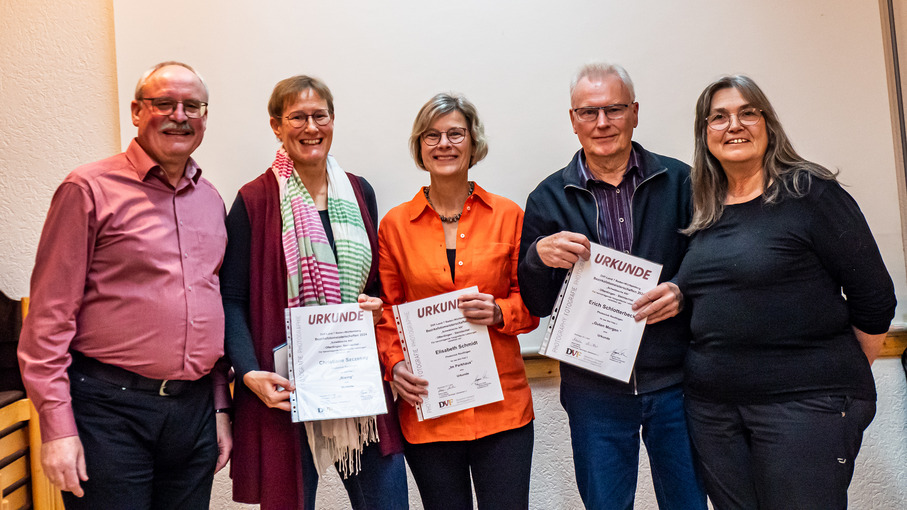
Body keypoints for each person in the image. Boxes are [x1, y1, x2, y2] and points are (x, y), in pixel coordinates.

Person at [665, 75, 897, 509]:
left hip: (804, 406)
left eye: (747, 113)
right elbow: (709, 287)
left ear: (768, 124)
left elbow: (875, 298)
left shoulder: (811, 193)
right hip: (715, 412)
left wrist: (834, 374)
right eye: (718, 117)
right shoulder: (702, 209)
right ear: (704, 133)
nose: (734, 125)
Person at [17, 61, 232, 509]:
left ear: (205, 117)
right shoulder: (88, 189)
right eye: (164, 103)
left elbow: (212, 307)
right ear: (136, 111)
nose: (180, 115)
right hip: (108, 412)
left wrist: (219, 409)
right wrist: (57, 429)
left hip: (192, 416)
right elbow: (48, 319)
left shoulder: (211, 200)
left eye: (192, 105)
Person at [518, 63, 707, 510]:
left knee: (689, 503)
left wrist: (681, 290)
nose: (602, 123)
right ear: (573, 120)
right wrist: (537, 258)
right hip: (594, 393)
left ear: (635, 113)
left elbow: (710, 268)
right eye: (589, 112)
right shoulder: (548, 198)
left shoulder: (683, 182)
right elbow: (536, 303)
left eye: (614, 109)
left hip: (676, 383)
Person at [221, 75, 407, 510]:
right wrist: (248, 373)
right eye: (297, 117)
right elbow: (229, 298)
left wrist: (374, 304)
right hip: (285, 388)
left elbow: (374, 285)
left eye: (319, 116)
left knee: (388, 500)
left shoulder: (360, 191)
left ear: (333, 120)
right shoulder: (255, 200)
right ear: (276, 125)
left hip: (355, 383)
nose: (310, 127)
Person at [377, 93, 539, 510]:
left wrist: (501, 311)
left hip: (502, 408)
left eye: (455, 134)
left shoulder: (508, 215)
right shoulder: (395, 225)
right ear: (419, 146)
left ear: (473, 142)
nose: (443, 144)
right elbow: (387, 311)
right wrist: (394, 364)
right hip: (429, 411)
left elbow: (532, 301)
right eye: (431, 136)